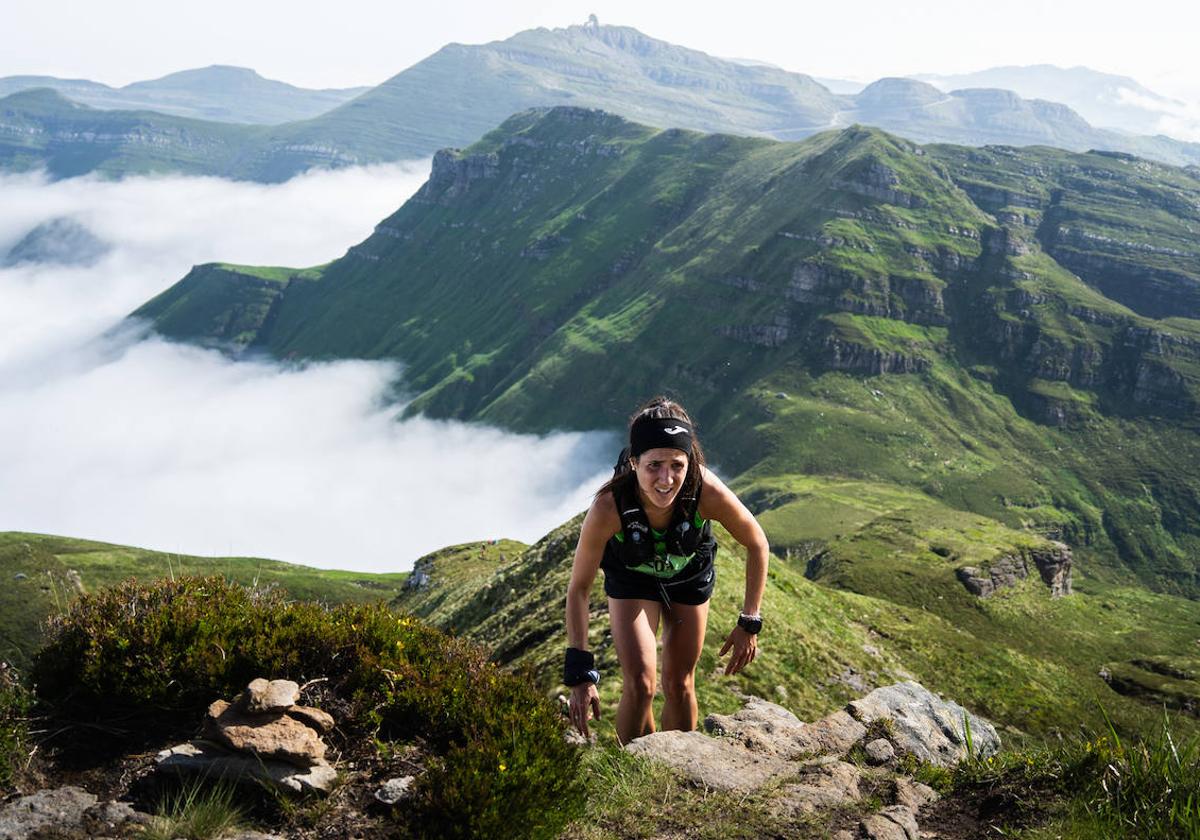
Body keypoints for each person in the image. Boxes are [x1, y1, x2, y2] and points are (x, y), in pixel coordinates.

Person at [564, 396, 769, 743]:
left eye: (677, 464)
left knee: (679, 683)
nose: (666, 478)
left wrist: (749, 621)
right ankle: (631, 775)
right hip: (632, 580)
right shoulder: (608, 507)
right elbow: (578, 589)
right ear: (633, 462)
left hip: (689, 577)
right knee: (641, 684)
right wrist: (581, 673)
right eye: (654, 465)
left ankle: (679, 771)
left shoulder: (706, 492)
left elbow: (757, 543)